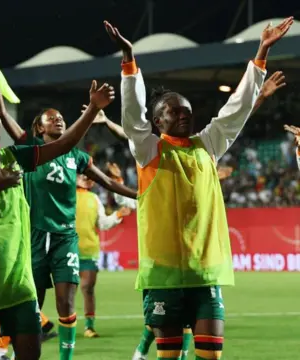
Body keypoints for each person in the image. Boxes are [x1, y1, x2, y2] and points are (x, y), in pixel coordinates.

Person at [105, 16, 292, 360]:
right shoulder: (149, 151)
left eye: (187, 110)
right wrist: (129, 62)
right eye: (174, 111)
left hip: (206, 274)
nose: (183, 115)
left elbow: (234, 112)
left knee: (211, 355)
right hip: (162, 276)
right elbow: (132, 116)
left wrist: (262, 51)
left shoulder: (207, 145)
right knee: (170, 356)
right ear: (157, 121)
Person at [0, 78, 115, 360]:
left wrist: (93, 108)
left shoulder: (14, 157)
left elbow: (64, 145)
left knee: (31, 352)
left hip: (16, 282)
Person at [0, 54, 136, 360]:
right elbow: (0, 110)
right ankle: (11, 350)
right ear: (38, 128)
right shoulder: (30, 148)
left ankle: (65, 357)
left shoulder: (76, 157)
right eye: (52, 118)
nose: (59, 119)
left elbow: (109, 183)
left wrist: (142, 193)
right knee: (29, 305)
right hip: (34, 237)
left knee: (66, 303)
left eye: (61, 117)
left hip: (65, 238)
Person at [75, 171, 131, 338]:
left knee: (87, 289)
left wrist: (118, 214)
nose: (86, 178)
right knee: (66, 293)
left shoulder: (94, 199)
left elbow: (102, 223)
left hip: (88, 251)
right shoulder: (64, 195)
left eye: (89, 177)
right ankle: (61, 325)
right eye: (83, 175)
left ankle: (89, 327)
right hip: (66, 250)